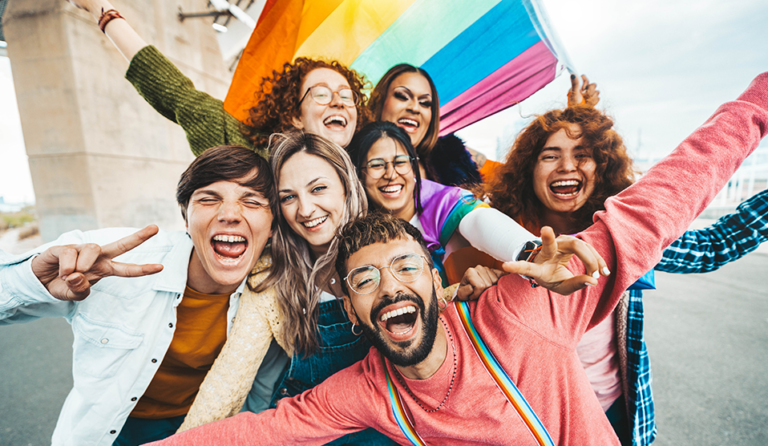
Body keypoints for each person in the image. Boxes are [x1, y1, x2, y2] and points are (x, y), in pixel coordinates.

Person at [145, 71, 767, 446]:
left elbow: (667, 197)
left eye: (405, 268)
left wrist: (759, 102)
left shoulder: (527, 305)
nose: (388, 287)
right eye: (363, 280)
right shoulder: (366, 391)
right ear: (353, 313)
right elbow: (265, 428)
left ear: (436, 275)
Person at [180, 132, 607, 445]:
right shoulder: (276, 275)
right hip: (319, 426)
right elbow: (233, 379)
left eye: (318, 189)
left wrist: (518, 257)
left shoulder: (398, 238)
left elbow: (475, 221)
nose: (305, 209)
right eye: (288, 197)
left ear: (348, 185)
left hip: (405, 429)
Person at [484, 78, 768, 446]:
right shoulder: (495, 239)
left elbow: (712, 246)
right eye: (550, 155)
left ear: (601, 167)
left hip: (616, 414)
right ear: (527, 169)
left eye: (583, 154)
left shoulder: (623, 239)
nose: (567, 165)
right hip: (532, 425)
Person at [0, 146, 278, 446]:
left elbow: (261, 395)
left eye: (251, 201)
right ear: (186, 218)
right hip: (102, 433)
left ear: (274, 227)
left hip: (198, 427)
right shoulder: (109, 258)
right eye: (208, 199)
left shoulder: (276, 295)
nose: (229, 215)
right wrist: (32, 280)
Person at [64, 0, 371, 155]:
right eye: (321, 94)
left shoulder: (370, 169)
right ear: (294, 115)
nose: (338, 103)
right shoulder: (246, 152)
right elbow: (172, 89)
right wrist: (100, 10)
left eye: (346, 96)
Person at [347, 121, 594, 291]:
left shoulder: (443, 201)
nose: (391, 174)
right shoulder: (350, 223)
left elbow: (479, 220)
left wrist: (533, 254)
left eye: (401, 162)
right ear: (358, 174)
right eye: (377, 165)